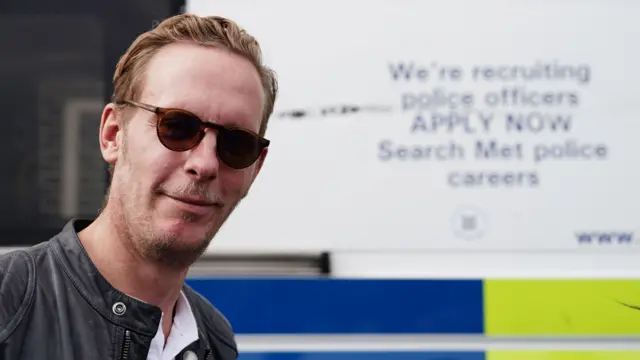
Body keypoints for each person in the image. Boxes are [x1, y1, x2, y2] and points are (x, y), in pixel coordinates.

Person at [0, 13, 277, 360]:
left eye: (237, 144)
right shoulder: (10, 306)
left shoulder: (214, 339)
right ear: (113, 135)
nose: (205, 164)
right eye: (176, 126)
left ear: (256, 167)